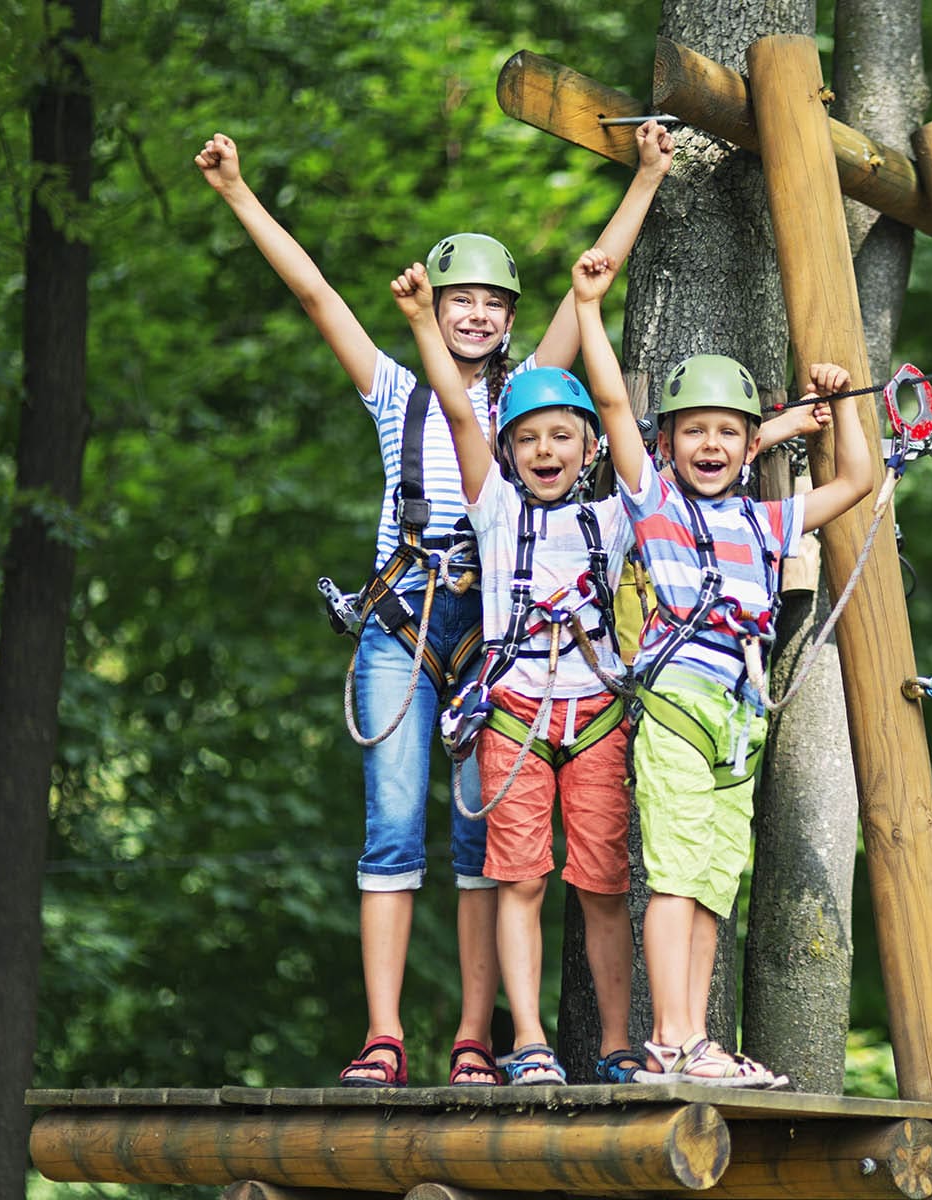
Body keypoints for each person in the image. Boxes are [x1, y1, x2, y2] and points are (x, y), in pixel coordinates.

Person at [194, 121, 674, 1087]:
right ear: (438, 306)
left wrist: (651, 178)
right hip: (404, 623)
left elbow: (594, 284)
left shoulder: (536, 400)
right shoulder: (398, 393)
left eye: (493, 303)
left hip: (499, 635)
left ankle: (472, 1036)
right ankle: (383, 1035)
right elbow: (316, 294)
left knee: (481, 846)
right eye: (461, 300)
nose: (476, 315)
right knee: (390, 826)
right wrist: (239, 192)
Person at [575, 247, 872, 1085]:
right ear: (666, 443)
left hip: (738, 720)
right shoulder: (654, 500)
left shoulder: (767, 522)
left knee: (713, 882)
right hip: (676, 705)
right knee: (671, 872)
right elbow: (608, 400)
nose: (711, 444)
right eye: (694, 431)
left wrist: (842, 403)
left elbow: (854, 478)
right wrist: (591, 311)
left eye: (728, 433)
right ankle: (671, 1038)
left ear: (750, 448)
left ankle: (696, 1039)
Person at [393, 256, 646, 1086]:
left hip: (597, 715)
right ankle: (530, 1040)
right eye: (529, 439)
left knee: (605, 885)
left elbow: (624, 414)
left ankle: (614, 1043)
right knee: (520, 879)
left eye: (561, 437)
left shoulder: (617, 516)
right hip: (512, 720)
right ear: (508, 453)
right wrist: (428, 324)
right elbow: (465, 421)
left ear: (589, 448)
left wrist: (590, 303)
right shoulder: (494, 506)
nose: (545, 450)